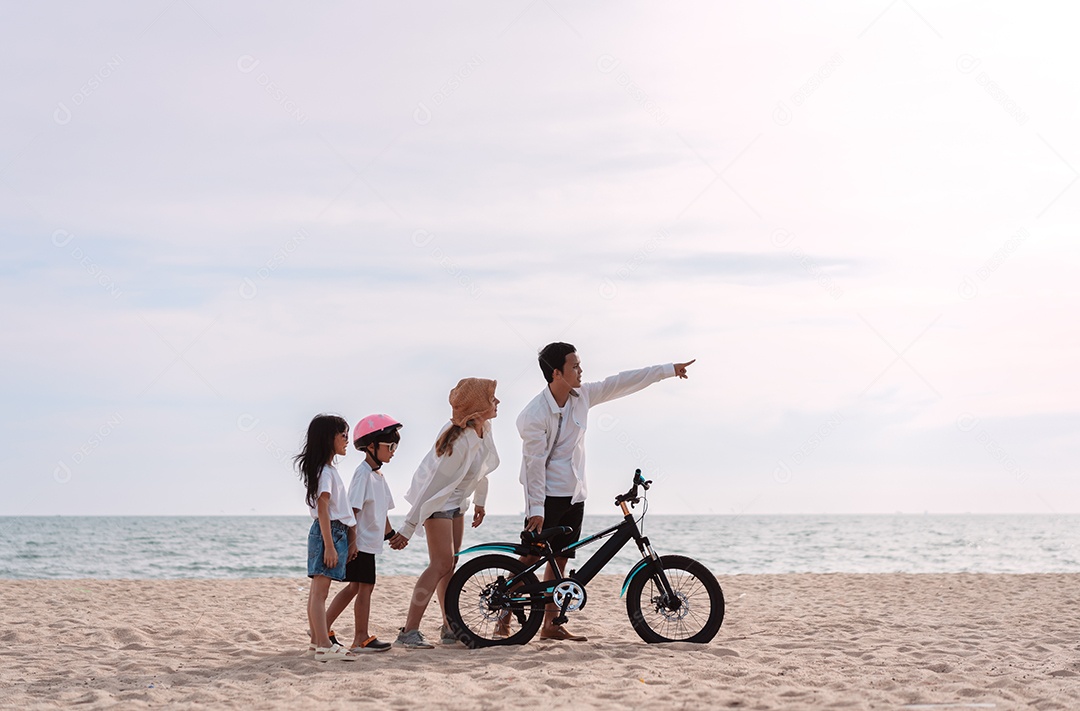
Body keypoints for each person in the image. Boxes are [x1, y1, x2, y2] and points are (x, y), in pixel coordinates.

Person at [516, 343, 694, 641]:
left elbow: (621, 382)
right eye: (575, 366)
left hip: (575, 493)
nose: (581, 370)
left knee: (560, 562)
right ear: (556, 373)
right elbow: (533, 466)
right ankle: (504, 617)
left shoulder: (582, 396)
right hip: (546, 497)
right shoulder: (533, 415)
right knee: (529, 561)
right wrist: (536, 509)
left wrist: (667, 370)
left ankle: (550, 625)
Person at [389, 378, 500, 649]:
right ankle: (409, 631)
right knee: (439, 564)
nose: (497, 402)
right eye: (492, 399)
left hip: (458, 502)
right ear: (477, 407)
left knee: (451, 564)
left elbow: (482, 468)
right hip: (436, 503)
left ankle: (449, 627)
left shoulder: (484, 428)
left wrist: (480, 503)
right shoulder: (459, 442)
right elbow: (432, 486)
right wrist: (408, 526)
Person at [323, 414, 402, 654]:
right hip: (361, 543)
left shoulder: (378, 475)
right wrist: (352, 542)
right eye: (390, 446)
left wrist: (392, 536)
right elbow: (353, 510)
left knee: (356, 587)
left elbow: (382, 512)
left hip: (370, 543)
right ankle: (360, 638)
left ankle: (322, 627)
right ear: (371, 446)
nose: (394, 451)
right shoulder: (362, 474)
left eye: (396, 447)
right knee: (364, 587)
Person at [294, 413, 357, 662]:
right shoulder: (325, 472)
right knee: (320, 594)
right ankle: (323, 644)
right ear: (328, 438)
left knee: (316, 593)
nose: (347, 440)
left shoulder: (327, 469)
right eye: (343, 435)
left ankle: (316, 643)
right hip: (328, 532)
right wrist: (330, 546)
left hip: (333, 532)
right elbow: (323, 508)